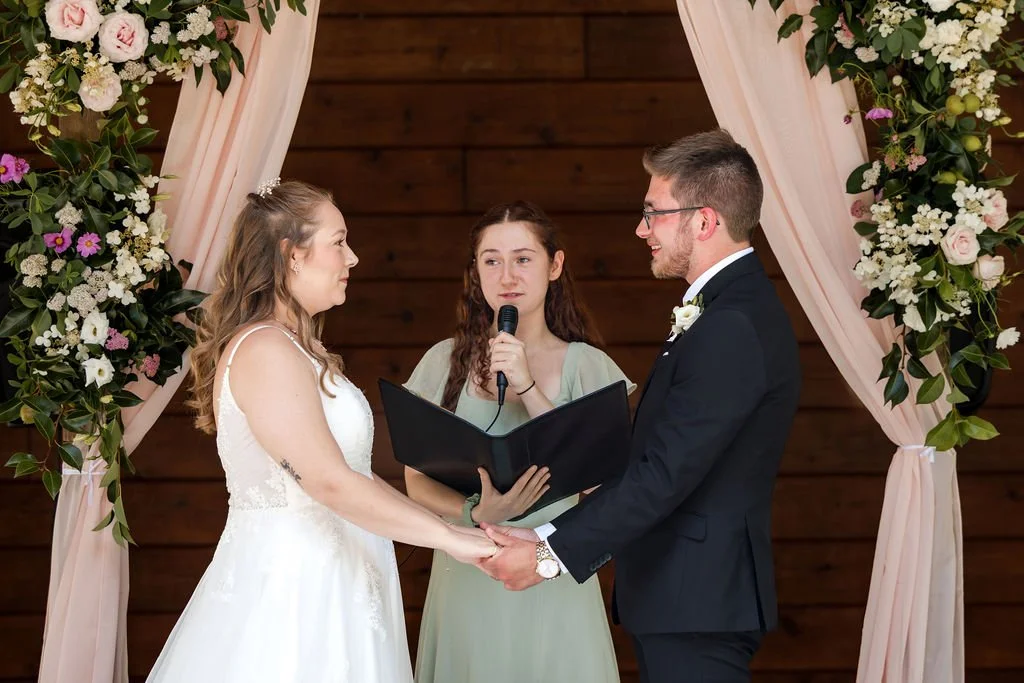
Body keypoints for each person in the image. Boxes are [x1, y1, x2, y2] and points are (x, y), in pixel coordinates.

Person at [479, 130, 802, 683]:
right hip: (684, 597)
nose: (641, 228)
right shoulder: (727, 310)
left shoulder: (732, 324)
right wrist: (543, 536)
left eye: (653, 213)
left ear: (703, 221)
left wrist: (549, 556)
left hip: (699, 600)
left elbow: (667, 472)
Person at [145, 179, 496, 683]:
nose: (352, 258)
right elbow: (327, 482)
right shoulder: (265, 349)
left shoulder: (296, 348)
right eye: (338, 242)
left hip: (339, 584)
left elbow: (355, 476)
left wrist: (458, 529)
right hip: (293, 598)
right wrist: (449, 541)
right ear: (292, 255)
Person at [402, 200, 635, 683]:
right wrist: (476, 515)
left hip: (552, 577)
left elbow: (599, 485)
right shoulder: (443, 362)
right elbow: (415, 478)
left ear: (555, 265)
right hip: (467, 573)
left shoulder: (589, 366)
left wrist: (527, 386)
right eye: (491, 260)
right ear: (476, 272)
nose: (507, 274)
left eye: (523, 258)